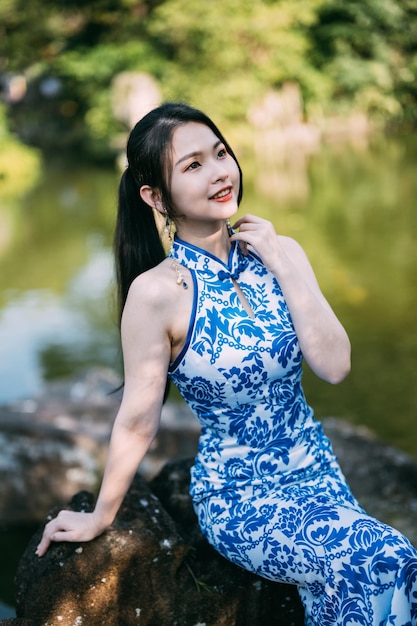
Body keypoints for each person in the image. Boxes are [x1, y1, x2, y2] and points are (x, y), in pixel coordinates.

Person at [36, 102, 417, 625]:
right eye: (192, 165)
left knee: (370, 577)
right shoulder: (157, 294)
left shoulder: (281, 252)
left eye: (220, 153)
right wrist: (101, 515)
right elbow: (138, 417)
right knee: (386, 556)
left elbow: (336, 366)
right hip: (241, 497)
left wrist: (281, 260)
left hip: (317, 472)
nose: (219, 172)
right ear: (154, 196)